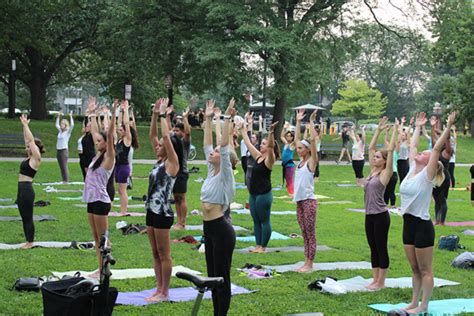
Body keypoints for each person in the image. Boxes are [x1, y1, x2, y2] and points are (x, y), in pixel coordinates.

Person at [398, 111, 455, 315]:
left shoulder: (427, 174)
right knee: (414, 269)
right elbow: (412, 146)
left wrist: (447, 126)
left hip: (422, 226)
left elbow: (438, 147)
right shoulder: (413, 168)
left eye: (424, 152)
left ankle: (424, 305)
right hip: (408, 224)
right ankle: (414, 303)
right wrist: (418, 127)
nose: (420, 152)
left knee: (425, 270)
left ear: (430, 160)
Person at [200, 99, 237, 315]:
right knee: (212, 276)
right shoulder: (211, 172)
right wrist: (207, 119)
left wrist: (226, 119)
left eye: (215, 153)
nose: (211, 153)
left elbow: (223, 147)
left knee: (222, 276)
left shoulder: (225, 174)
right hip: (209, 229)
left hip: (222, 231)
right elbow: (207, 145)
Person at [145, 98, 181, 302]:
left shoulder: (172, 163)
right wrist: (154, 114)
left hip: (162, 213)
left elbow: (165, 137)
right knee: (155, 252)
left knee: (163, 253)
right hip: (151, 210)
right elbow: (153, 135)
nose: (157, 145)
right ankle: (158, 288)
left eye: (161, 145)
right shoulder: (160, 160)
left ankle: (165, 292)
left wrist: (162, 116)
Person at [83, 100, 117, 278]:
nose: (96, 142)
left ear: (106, 143)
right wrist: (93, 114)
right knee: (96, 238)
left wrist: (112, 113)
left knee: (103, 239)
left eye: (99, 141)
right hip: (91, 200)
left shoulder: (109, 158)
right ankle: (100, 268)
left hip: (101, 201)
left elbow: (109, 135)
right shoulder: (98, 156)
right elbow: (97, 132)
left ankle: (106, 268)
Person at [364, 117, 398, 290]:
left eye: (378, 157)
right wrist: (378, 130)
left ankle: (381, 282)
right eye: (374, 157)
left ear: (384, 161)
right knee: (372, 247)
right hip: (369, 215)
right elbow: (370, 147)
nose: (375, 158)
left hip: (380, 216)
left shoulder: (385, 174)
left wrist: (394, 132)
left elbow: (390, 151)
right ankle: (375, 279)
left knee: (381, 247)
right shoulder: (372, 171)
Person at [239, 109, 279, 253]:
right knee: (255, 220)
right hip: (254, 193)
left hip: (264, 194)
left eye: (263, 144)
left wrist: (270, 133)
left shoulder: (270, 159)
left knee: (264, 220)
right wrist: (243, 129)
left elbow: (270, 146)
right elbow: (248, 143)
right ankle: (257, 246)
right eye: (261, 143)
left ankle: (263, 247)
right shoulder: (258, 156)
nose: (261, 146)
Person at [293, 109, 319, 272]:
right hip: (300, 202)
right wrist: (297, 122)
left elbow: (314, 143)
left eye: (301, 148)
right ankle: (305, 260)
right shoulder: (300, 163)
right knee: (303, 232)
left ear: (308, 150)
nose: (298, 149)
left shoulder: (311, 162)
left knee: (310, 233)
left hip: (309, 202)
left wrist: (310, 122)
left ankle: (310, 263)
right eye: (298, 148)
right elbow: (296, 140)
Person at [17, 114, 44, 249]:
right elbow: (27, 140)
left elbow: (31, 140)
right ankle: (28, 239)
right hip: (21, 189)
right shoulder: (29, 158)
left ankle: (30, 241)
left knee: (28, 216)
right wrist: (24, 127)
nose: (27, 147)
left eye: (30, 146)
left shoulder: (36, 159)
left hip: (27, 189)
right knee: (23, 215)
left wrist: (26, 125)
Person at [171, 107, 191, 230]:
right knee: (176, 198)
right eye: (174, 129)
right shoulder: (174, 141)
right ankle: (178, 221)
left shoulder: (185, 141)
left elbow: (188, 132)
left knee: (181, 198)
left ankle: (182, 222)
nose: (174, 132)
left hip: (182, 172)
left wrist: (185, 117)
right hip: (174, 172)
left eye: (177, 130)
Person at [430, 115, 452, 225]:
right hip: (435, 177)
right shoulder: (437, 151)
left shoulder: (447, 152)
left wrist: (448, 128)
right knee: (436, 200)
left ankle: (442, 222)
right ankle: (437, 220)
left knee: (442, 200)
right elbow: (433, 138)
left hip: (444, 178)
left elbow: (447, 140)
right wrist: (433, 127)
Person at [115, 100, 133, 215]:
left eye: (121, 130)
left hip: (124, 167)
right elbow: (119, 124)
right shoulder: (120, 140)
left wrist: (126, 110)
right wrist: (120, 110)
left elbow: (126, 124)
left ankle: (124, 211)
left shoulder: (127, 140)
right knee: (120, 190)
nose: (119, 130)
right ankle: (122, 210)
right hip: (118, 166)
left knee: (122, 190)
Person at [55, 111, 74, 182]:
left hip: (64, 150)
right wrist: (58, 116)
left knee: (64, 166)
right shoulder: (60, 131)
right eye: (61, 124)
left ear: (65, 125)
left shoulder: (67, 132)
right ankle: (63, 179)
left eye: (62, 124)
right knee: (61, 166)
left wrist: (70, 116)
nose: (61, 125)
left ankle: (66, 180)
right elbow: (56, 125)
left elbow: (72, 125)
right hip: (58, 150)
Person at [383, 126, 398, 208]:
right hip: (386, 173)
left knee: (391, 190)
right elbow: (386, 141)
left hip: (393, 173)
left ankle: (393, 205)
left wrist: (394, 132)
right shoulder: (387, 153)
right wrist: (387, 132)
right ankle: (385, 204)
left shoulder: (396, 152)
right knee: (385, 189)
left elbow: (395, 143)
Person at [280, 122, 296, 196]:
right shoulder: (286, 144)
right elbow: (281, 136)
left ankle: (291, 193)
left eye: (290, 136)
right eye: (287, 136)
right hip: (285, 165)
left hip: (290, 165)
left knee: (290, 179)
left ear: (292, 137)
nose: (288, 137)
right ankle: (290, 192)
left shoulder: (292, 145)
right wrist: (284, 127)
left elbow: (297, 140)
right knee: (287, 179)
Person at [396, 117, 411, 184]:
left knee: (405, 175)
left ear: (406, 136)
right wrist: (402, 123)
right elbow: (399, 132)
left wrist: (410, 124)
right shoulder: (400, 142)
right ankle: (401, 189)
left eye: (404, 135)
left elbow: (407, 133)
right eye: (401, 135)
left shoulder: (407, 143)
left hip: (405, 161)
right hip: (399, 160)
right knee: (401, 176)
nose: (402, 136)